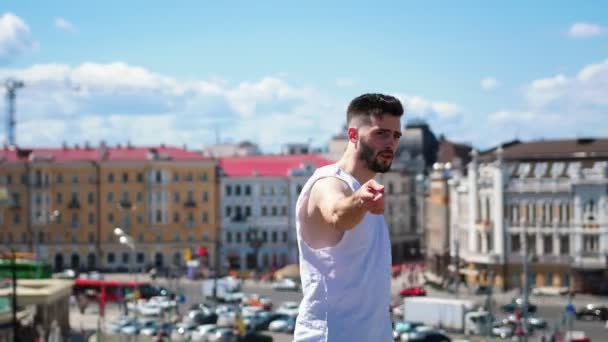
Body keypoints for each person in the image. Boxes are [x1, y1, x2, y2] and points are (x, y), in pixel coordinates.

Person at [293, 93, 403, 341]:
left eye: (396, 136)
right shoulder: (328, 182)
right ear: (353, 135)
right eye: (381, 133)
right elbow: (336, 214)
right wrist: (360, 200)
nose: (391, 143)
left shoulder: (365, 187)